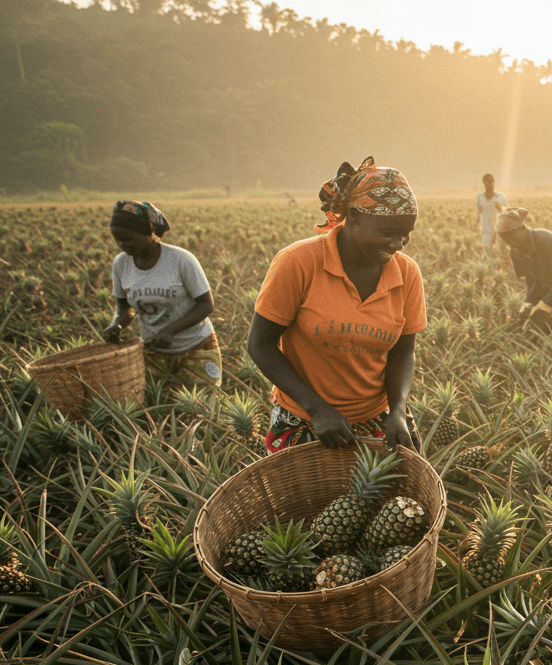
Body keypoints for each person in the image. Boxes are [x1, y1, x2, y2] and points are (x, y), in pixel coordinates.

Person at [247, 157, 424, 453]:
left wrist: (397, 411)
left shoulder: (407, 273)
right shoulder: (298, 262)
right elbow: (260, 344)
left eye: (406, 233)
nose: (399, 243)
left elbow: (404, 352)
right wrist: (317, 408)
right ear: (353, 217)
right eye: (388, 232)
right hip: (305, 417)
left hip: (379, 418)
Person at [101, 201, 222, 393]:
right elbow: (124, 307)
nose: (123, 245)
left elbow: (206, 304)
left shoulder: (181, 260)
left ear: (146, 233)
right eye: (118, 240)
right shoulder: (120, 264)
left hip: (197, 346)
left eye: (128, 239)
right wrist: (117, 324)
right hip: (154, 352)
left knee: (199, 410)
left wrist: (171, 330)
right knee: (160, 410)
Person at [495, 207, 552, 328]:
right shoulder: (515, 252)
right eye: (507, 241)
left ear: (523, 228)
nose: (511, 244)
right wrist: (528, 304)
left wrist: (545, 304)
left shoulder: (545, 239)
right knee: (530, 320)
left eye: (513, 238)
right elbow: (531, 281)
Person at [475, 174, 508, 259]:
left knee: (500, 250)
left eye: (491, 181)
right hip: (486, 228)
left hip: (500, 228)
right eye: (487, 181)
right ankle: (490, 267)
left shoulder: (501, 196)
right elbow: (480, 210)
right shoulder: (480, 197)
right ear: (484, 183)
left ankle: (499, 266)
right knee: (487, 249)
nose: (490, 183)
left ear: (494, 182)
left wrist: (499, 208)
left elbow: (506, 212)